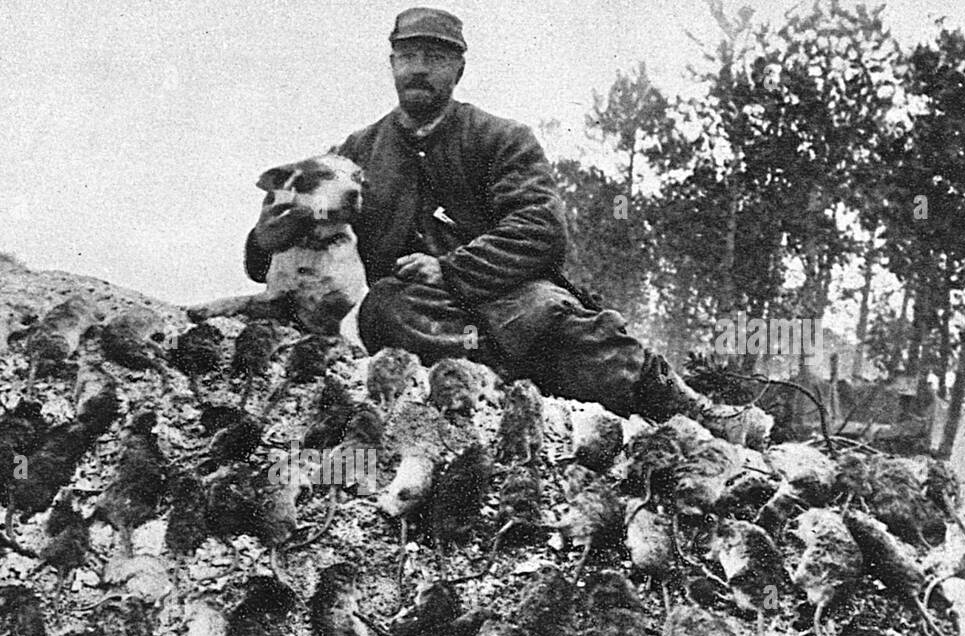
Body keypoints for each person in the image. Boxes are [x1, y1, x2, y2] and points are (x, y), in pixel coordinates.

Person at [243, 6, 708, 419]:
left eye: (436, 58)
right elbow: (305, 216)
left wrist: (449, 268)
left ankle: (683, 402)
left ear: (459, 70)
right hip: (422, 310)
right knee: (383, 308)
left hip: (508, 293)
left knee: (548, 321)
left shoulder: (501, 139)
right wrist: (263, 242)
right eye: (408, 58)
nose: (419, 70)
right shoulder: (355, 154)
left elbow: (539, 229)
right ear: (391, 66)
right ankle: (511, 374)